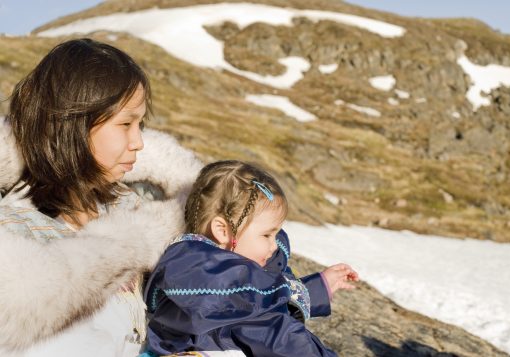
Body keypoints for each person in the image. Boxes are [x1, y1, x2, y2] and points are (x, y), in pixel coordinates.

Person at [0, 38, 202, 357]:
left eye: (141, 124)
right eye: (125, 124)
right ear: (72, 124)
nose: (138, 142)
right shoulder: (16, 237)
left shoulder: (133, 205)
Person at [144, 160, 359, 356]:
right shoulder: (234, 297)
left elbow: (268, 294)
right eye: (267, 234)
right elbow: (280, 338)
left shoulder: (207, 276)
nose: (274, 245)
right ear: (223, 231)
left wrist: (318, 287)